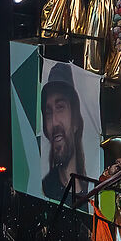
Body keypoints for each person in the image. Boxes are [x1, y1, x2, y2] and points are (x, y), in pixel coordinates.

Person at [40, 67, 91, 203]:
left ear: (75, 119)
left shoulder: (94, 186)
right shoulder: (46, 188)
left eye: (60, 107)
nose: (54, 121)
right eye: (48, 112)